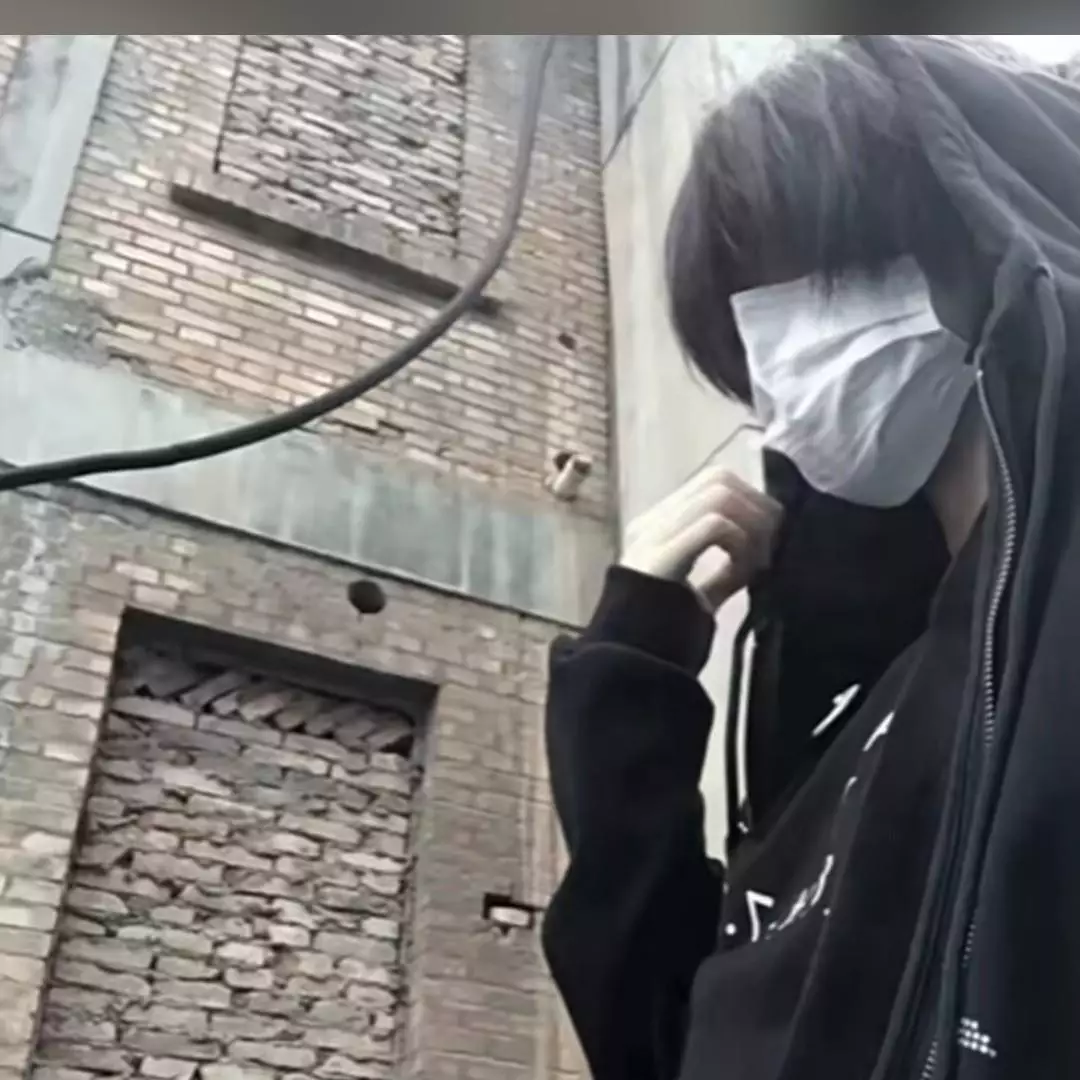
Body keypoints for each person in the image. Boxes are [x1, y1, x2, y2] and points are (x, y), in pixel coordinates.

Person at [542, 35, 1080, 1080]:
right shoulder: (842, 714)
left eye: (805, 279)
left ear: (973, 230)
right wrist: (630, 677)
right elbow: (665, 1051)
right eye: (741, 331)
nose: (769, 351)